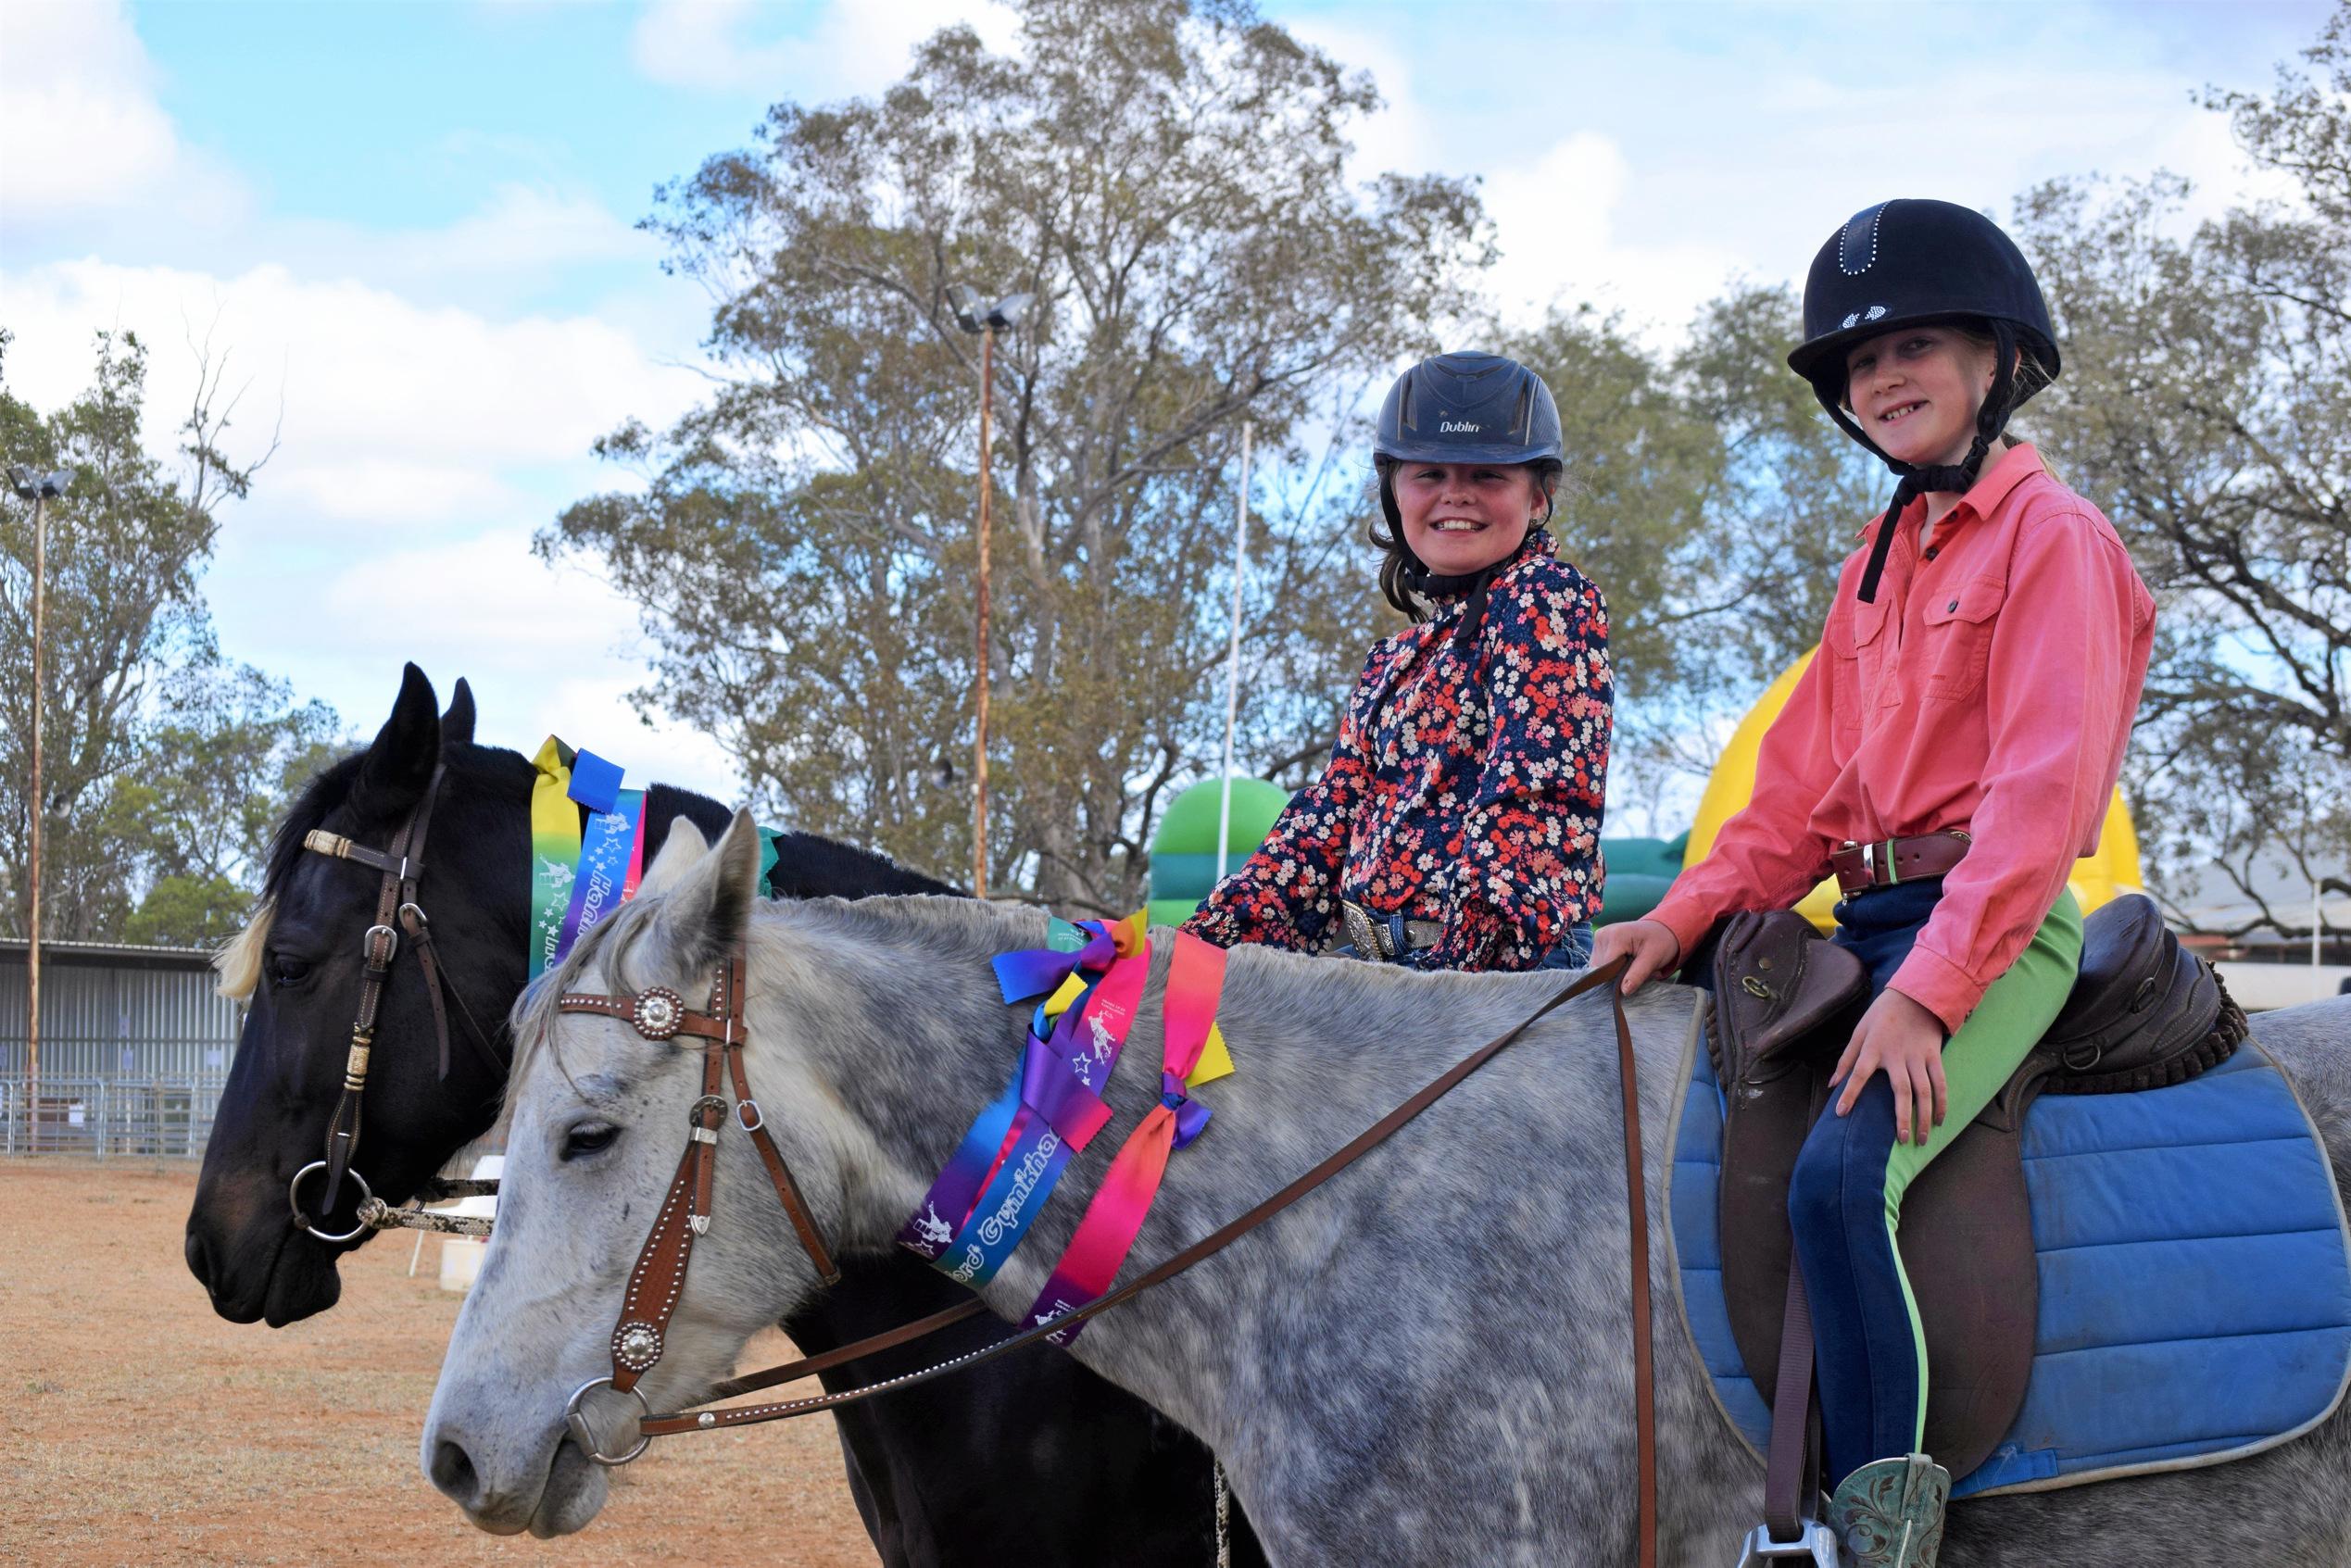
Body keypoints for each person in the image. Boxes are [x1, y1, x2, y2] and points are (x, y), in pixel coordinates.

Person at [1590, 200, 2154, 1567]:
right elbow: (1793, 800)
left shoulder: (2053, 540)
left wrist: (1930, 997)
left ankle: (1883, 1531)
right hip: (1869, 917)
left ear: (1993, 364)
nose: (1881, 378)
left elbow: (2032, 813)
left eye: (1912, 345)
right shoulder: (1874, 563)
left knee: (1845, 1176)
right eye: (1857, 363)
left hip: (1993, 931)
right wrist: (1674, 916)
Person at [1183, 351, 1610, 974]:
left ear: (1539, 497)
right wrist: (1193, 953)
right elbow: (1322, 831)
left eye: (1488, 476)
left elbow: (1535, 800)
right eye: (1429, 473)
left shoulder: (1546, 601)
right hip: (1377, 969)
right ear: (1394, 491)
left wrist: (1460, 969)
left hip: (1489, 973)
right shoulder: (1394, 662)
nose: (1455, 494)